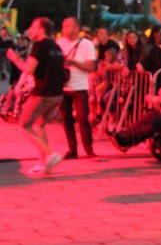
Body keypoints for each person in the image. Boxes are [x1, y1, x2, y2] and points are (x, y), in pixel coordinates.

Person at [5, 18, 65, 176]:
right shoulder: (55, 46)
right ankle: (43, 163)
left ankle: (51, 154)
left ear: (41, 29)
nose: (30, 30)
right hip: (57, 94)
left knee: (23, 125)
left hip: (43, 94)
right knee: (40, 125)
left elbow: (29, 69)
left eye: (33, 27)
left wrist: (14, 58)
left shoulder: (40, 45)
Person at [57, 17, 98, 159]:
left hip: (80, 87)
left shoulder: (87, 44)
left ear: (76, 28)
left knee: (82, 119)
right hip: (63, 87)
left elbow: (91, 67)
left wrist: (73, 62)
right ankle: (72, 150)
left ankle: (89, 149)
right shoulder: (59, 43)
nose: (64, 29)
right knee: (66, 119)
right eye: (63, 26)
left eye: (68, 26)